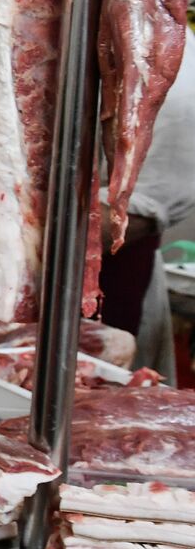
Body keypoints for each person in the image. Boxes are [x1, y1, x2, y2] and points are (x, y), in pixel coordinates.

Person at [98, 26, 195, 378]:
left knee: (95, 415)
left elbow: (131, 217)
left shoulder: (174, 67)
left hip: (112, 286)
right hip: (23, 290)